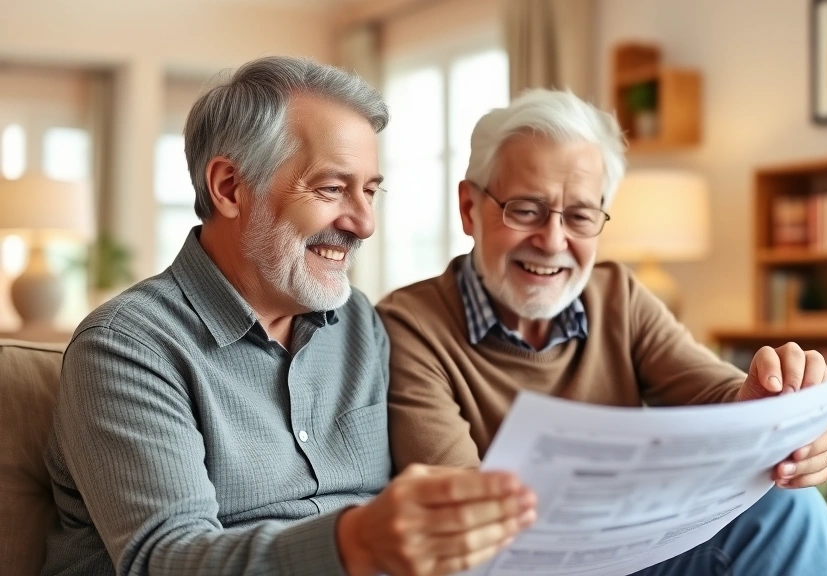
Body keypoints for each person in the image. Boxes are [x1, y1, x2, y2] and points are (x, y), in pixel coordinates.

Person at [42, 56, 536, 576]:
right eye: (331, 189)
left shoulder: (359, 325)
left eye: (369, 190)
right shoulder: (127, 346)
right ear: (230, 187)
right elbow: (165, 561)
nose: (364, 224)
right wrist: (353, 543)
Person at [377, 88, 827, 575]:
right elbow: (457, 513)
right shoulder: (409, 325)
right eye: (525, 210)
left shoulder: (617, 295)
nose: (553, 240)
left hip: (629, 555)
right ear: (470, 208)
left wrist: (780, 415)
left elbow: (721, 391)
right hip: (514, 562)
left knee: (790, 509)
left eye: (581, 216)